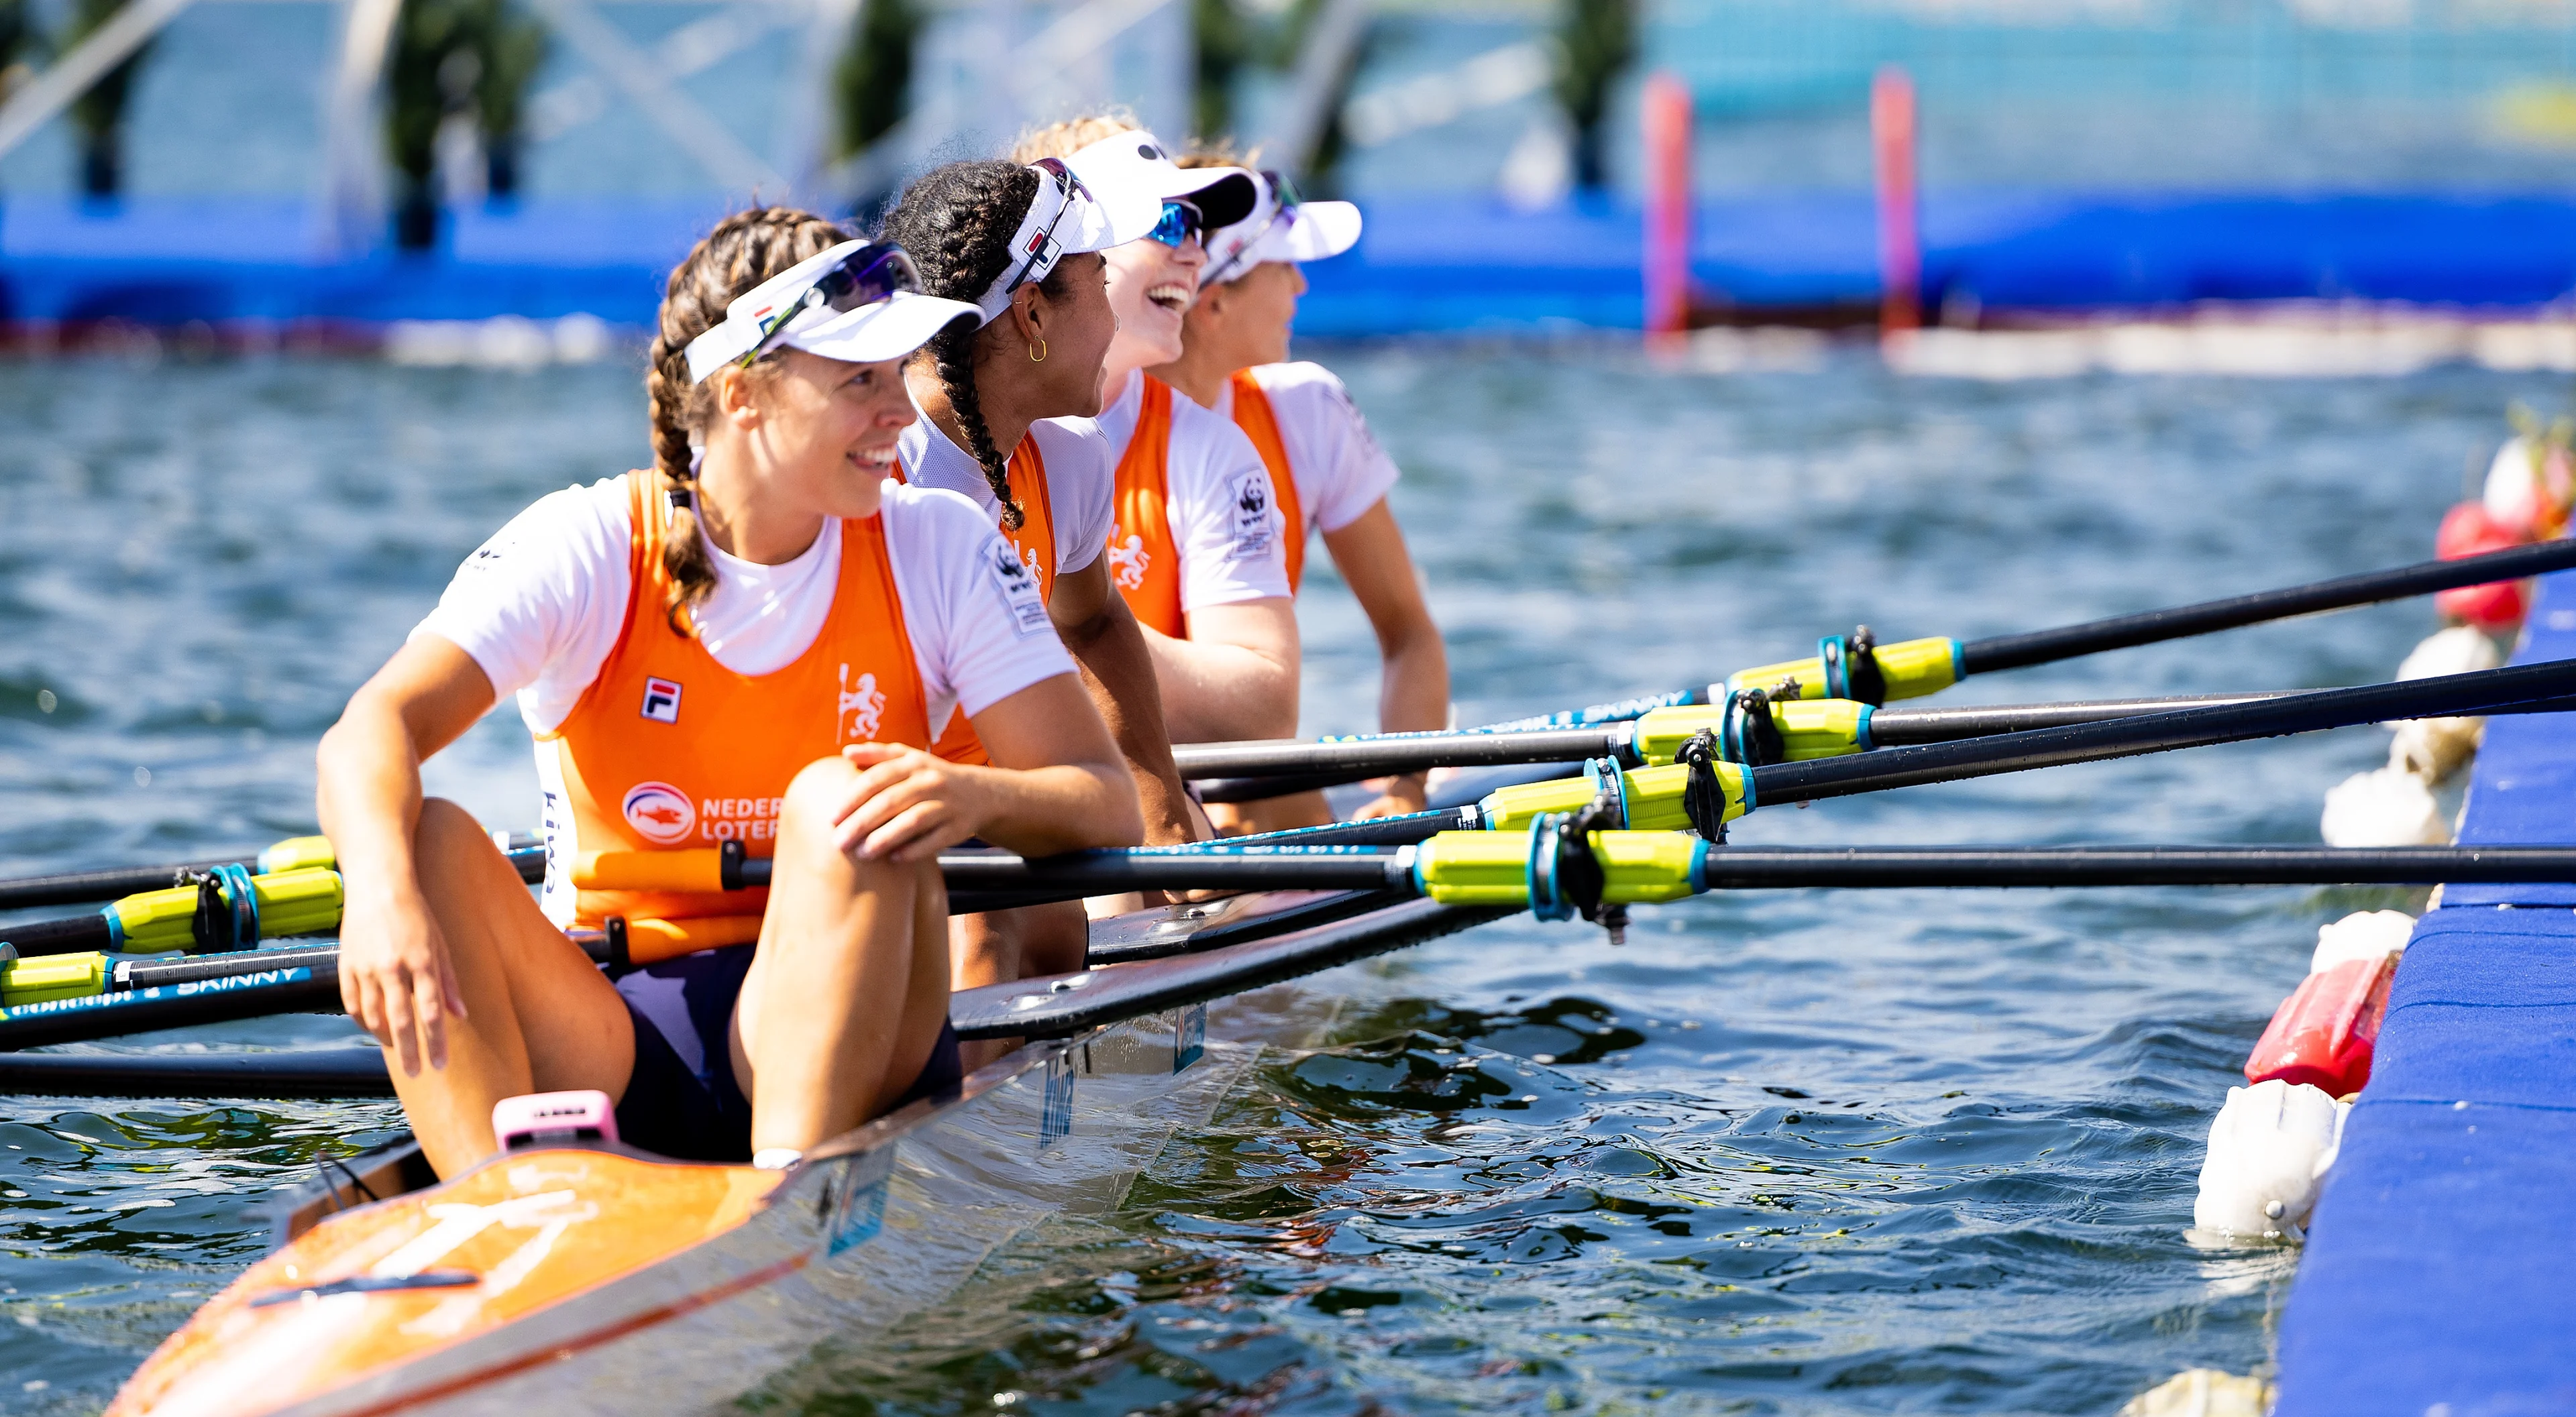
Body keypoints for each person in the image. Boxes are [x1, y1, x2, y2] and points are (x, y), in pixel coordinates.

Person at [317, 209, 1142, 1178]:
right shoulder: (588, 545)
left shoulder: (938, 546)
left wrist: (972, 796)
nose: (899, 412)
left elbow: (1103, 798)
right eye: (860, 381)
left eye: (896, 374)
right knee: (421, 841)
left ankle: (788, 1201)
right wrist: (379, 898)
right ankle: (493, 1208)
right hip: (612, 1027)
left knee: (839, 799)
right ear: (743, 393)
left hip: (861, 1017)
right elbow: (370, 730)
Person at [879, 155, 1240, 1002]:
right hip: (863, 815)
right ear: (1034, 313)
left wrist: (1162, 808)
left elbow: (1095, 622)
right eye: (1099, 281)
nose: (1113, 317)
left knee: (1054, 910)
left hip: (991, 812)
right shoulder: (878, 472)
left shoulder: (1070, 461)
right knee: (990, 922)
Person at [1152, 158, 1450, 827]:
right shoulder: (1085, 426)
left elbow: (1409, 632)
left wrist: (1406, 790)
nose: (1302, 283)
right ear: (1214, 303)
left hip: (1246, 767)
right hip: (1129, 766)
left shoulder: (1306, 410)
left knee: (1266, 788)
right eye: (1284, 265)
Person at [1007, 118, 1302, 758]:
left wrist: (1026, 626)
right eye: (1167, 224)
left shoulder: (1209, 450)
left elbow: (1267, 709)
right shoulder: (923, 419)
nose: (1196, 255)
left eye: (1198, 230)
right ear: (1067, 248)